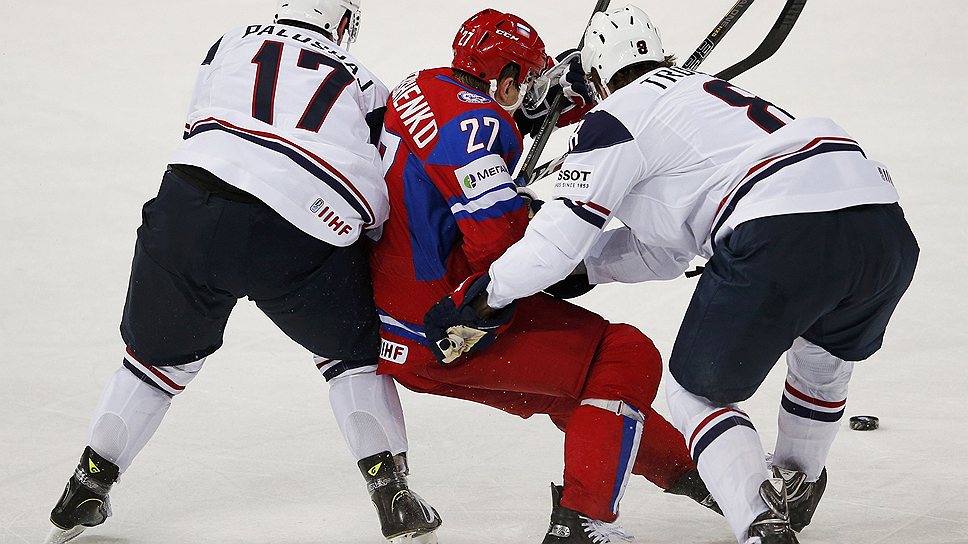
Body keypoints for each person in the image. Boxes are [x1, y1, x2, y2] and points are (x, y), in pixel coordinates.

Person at [427, 4, 919, 544]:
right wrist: (585, 268)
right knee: (822, 357)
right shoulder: (700, 97)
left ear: (595, 79)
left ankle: (761, 524)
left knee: (695, 393)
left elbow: (553, 245)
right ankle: (797, 477)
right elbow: (662, 251)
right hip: (882, 225)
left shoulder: (617, 119)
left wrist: (484, 298)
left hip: (781, 227)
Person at [43, 2, 441, 543]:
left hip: (191, 205)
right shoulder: (366, 82)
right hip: (303, 225)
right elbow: (383, 180)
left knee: (150, 365)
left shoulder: (230, 41)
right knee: (352, 359)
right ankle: (391, 490)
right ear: (343, 22)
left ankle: (87, 485)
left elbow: (200, 125)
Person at [371, 9, 718, 544]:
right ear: (504, 80)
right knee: (623, 355)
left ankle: (703, 479)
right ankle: (582, 523)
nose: (531, 92)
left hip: (391, 324)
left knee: (583, 396)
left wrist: (567, 93)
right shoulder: (475, 127)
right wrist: (542, 208)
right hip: (448, 322)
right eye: (525, 81)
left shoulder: (419, 86)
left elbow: (499, 118)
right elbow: (502, 248)